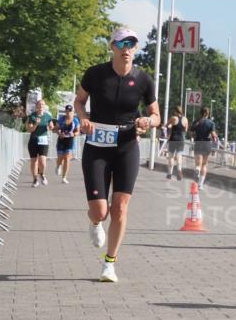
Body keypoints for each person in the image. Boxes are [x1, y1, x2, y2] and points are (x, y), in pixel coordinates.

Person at [75, 28, 160, 283]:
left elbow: (156, 115)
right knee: (101, 211)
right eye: (122, 43)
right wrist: (84, 119)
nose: (127, 48)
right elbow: (79, 101)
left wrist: (148, 120)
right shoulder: (95, 74)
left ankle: (109, 264)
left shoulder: (143, 79)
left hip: (126, 145)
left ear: (135, 49)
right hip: (97, 146)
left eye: (132, 44)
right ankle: (95, 223)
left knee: (120, 208)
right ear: (112, 46)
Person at [25, 99, 55, 187]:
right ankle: (35, 180)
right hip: (34, 140)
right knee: (34, 161)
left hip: (43, 140)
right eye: (39, 105)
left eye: (43, 105)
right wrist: (36, 124)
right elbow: (29, 129)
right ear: (37, 107)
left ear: (44, 107)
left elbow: (51, 126)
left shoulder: (48, 116)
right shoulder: (32, 116)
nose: (41, 106)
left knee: (42, 161)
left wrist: (51, 127)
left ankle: (42, 174)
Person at [190, 107, 218, 189]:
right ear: (208, 114)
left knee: (198, 164)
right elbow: (213, 136)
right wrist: (215, 138)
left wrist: (195, 136)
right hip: (207, 144)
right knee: (205, 164)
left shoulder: (196, 122)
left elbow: (191, 133)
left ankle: (197, 170)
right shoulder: (211, 123)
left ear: (200, 113)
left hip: (198, 143)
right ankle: (200, 184)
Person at [55, 104, 80, 184]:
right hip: (61, 140)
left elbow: (78, 131)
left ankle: (64, 177)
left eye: (70, 111)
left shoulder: (75, 120)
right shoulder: (61, 119)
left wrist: (74, 134)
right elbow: (57, 129)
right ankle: (58, 166)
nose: (68, 113)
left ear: (73, 112)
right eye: (67, 111)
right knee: (60, 158)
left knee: (67, 158)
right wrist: (59, 133)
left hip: (70, 140)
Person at [164, 106, 188, 181]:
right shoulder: (185, 119)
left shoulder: (173, 118)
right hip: (181, 140)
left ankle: (169, 174)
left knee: (171, 156)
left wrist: (170, 126)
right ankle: (179, 170)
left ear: (175, 111)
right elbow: (186, 130)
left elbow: (166, 125)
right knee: (179, 156)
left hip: (173, 139)